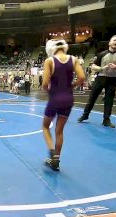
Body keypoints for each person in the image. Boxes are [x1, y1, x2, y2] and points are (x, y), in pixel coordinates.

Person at [42, 38, 85, 171]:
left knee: (45, 126)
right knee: (59, 131)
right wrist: (71, 86)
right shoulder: (74, 59)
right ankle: (56, 159)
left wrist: (49, 91)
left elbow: (44, 84)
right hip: (68, 98)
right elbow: (82, 77)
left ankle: (51, 150)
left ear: (50, 49)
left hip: (55, 97)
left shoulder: (50, 61)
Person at [78, 35, 116, 128]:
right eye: (114, 40)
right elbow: (93, 66)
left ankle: (106, 120)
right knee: (92, 98)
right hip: (100, 78)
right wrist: (102, 68)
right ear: (109, 42)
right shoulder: (102, 54)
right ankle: (85, 115)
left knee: (109, 101)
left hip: (112, 79)